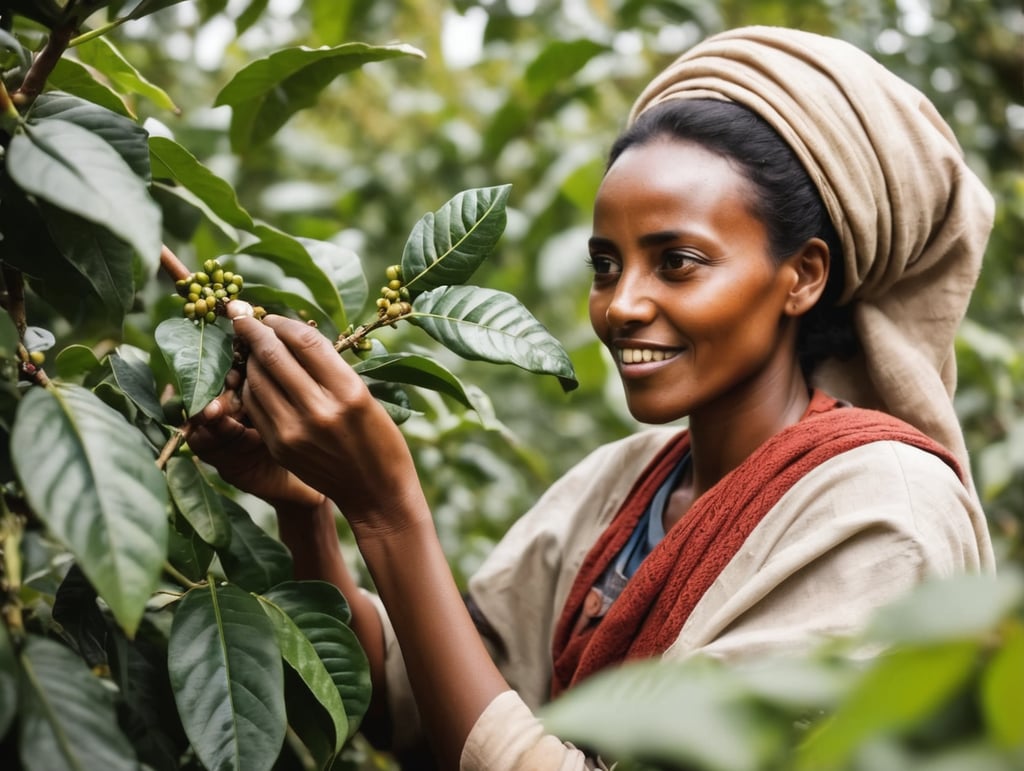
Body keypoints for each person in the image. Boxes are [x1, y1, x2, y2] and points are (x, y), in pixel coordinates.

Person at [190, 25, 996, 771]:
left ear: (803, 275)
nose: (621, 305)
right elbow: (420, 705)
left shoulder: (886, 513)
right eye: (606, 265)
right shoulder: (624, 484)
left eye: (677, 261)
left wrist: (392, 509)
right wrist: (310, 509)